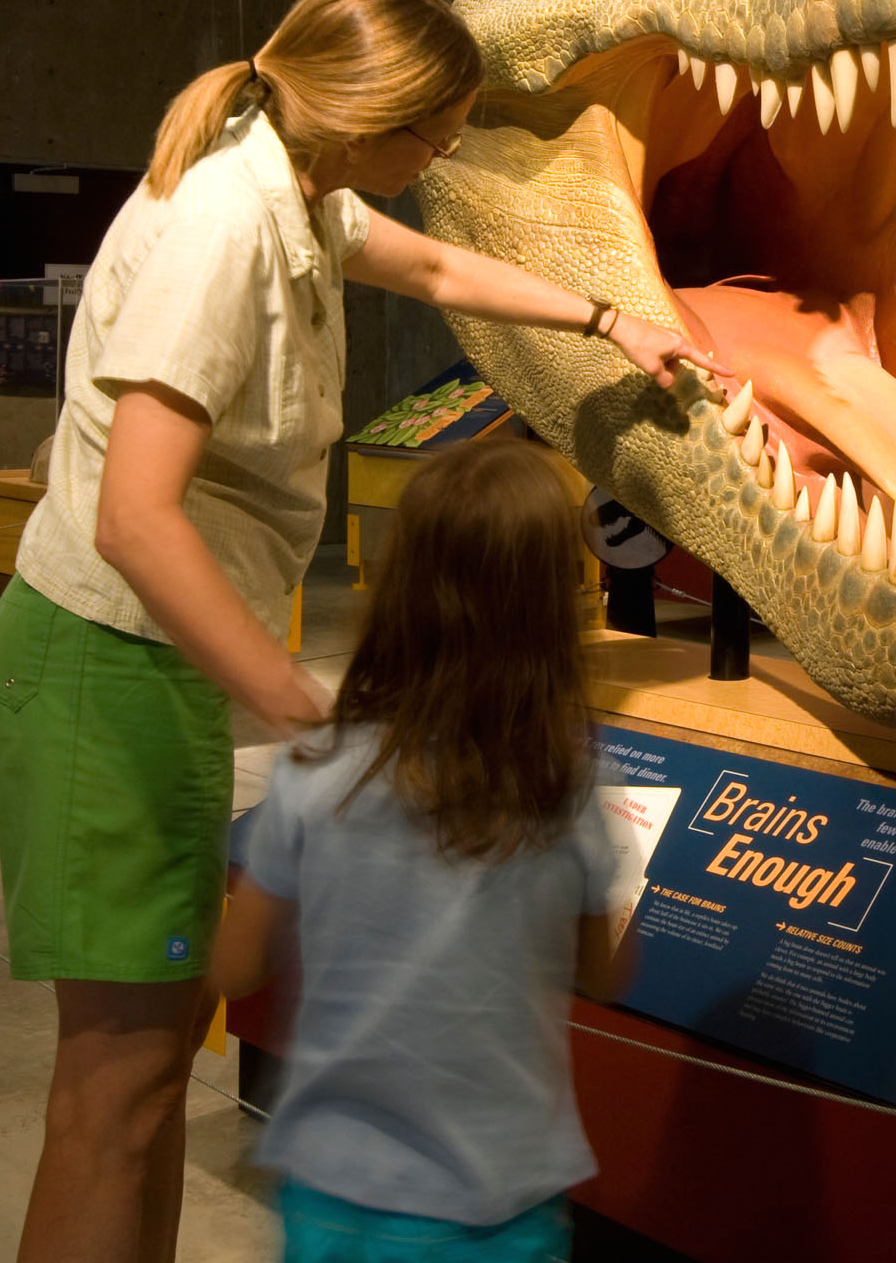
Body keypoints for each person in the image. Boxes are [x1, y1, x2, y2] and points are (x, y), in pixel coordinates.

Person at [0, 0, 705, 1263]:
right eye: (436, 132)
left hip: (148, 675)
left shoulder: (299, 190)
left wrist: (611, 320)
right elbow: (134, 516)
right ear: (370, 118)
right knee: (115, 1095)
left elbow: (430, 263)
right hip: (105, 666)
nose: (439, 159)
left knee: (146, 1092)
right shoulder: (225, 225)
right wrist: (301, 701)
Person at [210, 439, 622, 1263]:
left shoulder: (313, 772)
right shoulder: (564, 788)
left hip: (332, 1201)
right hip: (497, 1209)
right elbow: (603, 971)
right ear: (550, 610)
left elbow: (233, 967)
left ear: (399, 588)